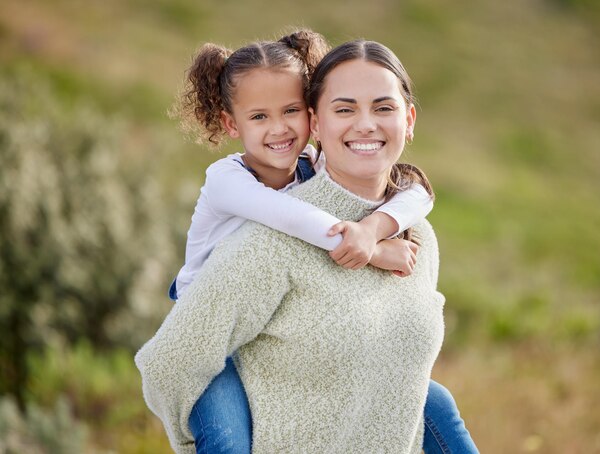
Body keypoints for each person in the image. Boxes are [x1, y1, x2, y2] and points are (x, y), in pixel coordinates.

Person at [137, 35, 477, 453]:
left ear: (409, 120)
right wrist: (370, 245)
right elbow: (172, 361)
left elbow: (419, 191)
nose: (366, 124)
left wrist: (376, 228)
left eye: (383, 107)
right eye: (345, 108)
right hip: (201, 307)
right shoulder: (246, 205)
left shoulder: (414, 234)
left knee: (434, 399)